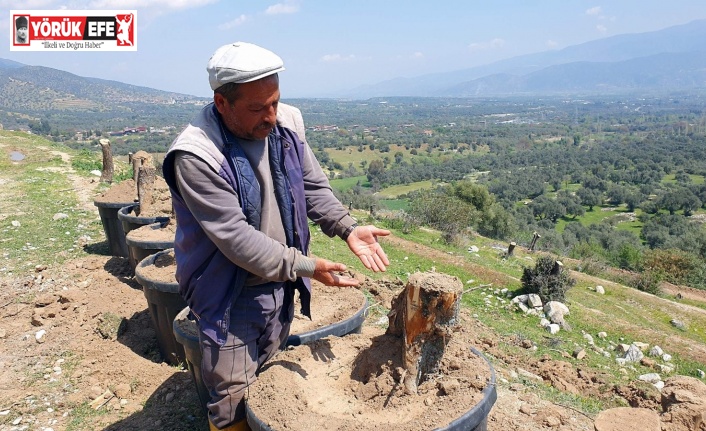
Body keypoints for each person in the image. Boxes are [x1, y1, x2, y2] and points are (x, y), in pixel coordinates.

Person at [162, 42, 391, 431]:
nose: (270, 116)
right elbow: (236, 239)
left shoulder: (285, 125)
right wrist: (305, 265)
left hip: (280, 284)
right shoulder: (196, 155)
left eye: (275, 101)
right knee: (232, 397)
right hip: (229, 295)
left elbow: (313, 187)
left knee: (268, 373)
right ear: (221, 102)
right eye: (257, 108)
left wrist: (348, 228)